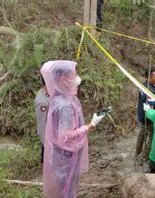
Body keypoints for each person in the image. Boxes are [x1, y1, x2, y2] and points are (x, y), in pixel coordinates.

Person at [40, 60, 106, 198]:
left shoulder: (63, 98)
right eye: (74, 74)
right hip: (65, 157)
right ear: (63, 79)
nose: (77, 77)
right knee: (66, 188)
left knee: (65, 186)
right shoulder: (64, 105)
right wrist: (91, 125)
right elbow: (65, 136)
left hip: (63, 156)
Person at [136, 66, 155, 161]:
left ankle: (137, 153)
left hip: (141, 115)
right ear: (149, 77)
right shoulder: (150, 91)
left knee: (142, 134)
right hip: (148, 118)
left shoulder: (144, 85)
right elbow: (151, 109)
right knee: (151, 137)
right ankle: (145, 157)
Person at [34, 76, 50, 163]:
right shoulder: (42, 102)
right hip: (49, 144)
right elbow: (42, 125)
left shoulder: (50, 93)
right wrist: (47, 145)